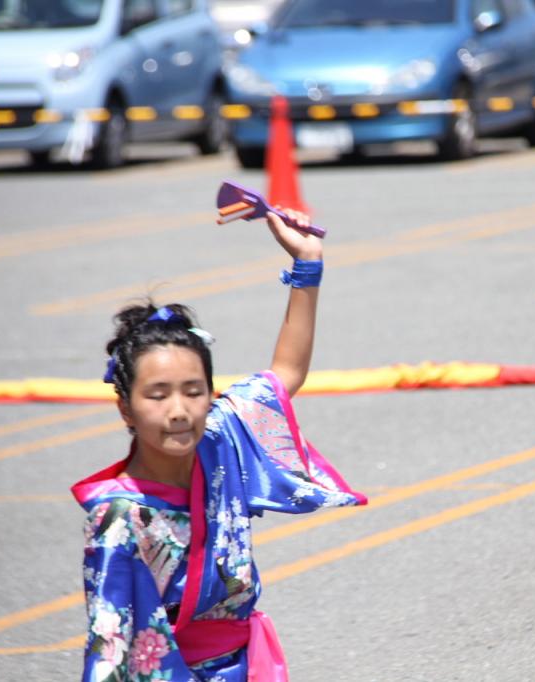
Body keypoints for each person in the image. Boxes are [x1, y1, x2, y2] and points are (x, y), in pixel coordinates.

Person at [71, 207, 367, 681]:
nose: (179, 410)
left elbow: (285, 373)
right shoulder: (119, 516)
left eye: (193, 391)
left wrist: (308, 262)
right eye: (157, 395)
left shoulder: (218, 436)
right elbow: (108, 645)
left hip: (246, 666)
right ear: (125, 407)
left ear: (211, 393)